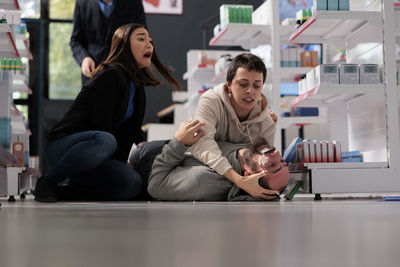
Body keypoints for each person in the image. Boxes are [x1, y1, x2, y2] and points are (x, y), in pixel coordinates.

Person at [34, 23, 181, 202]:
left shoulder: (137, 85)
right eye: (141, 39)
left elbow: (133, 129)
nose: (149, 44)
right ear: (124, 45)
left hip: (97, 152)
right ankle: (47, 181)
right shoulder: (111, 75)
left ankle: (68, 192)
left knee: (132, 184)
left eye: (150, 40)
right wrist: (120, 161)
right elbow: (99, 124)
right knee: (105, 140)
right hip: (65, 146)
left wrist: (141, 146)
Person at [190, 53, 279, 200]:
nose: (250, 91)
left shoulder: (266, 121)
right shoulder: (210, 101)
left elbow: (262, 163)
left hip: (228, 174)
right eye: (243, 84)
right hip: (195, 162)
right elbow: (202, 145)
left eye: (257, 85)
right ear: (229, 85)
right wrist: (238, 180)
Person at [129, 120, 289, 201]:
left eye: (273, 165)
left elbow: (156, 186)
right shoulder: (245, 151)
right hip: (145, 149)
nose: (275, 154)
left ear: (249, 175)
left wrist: (179, 142)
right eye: (282, 161)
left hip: (136, 169)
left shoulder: (206, 181)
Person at [70, 0, 146, 85]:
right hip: (93, 76)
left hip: (126, 75)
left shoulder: (134, 3)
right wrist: (84, 59)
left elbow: (143, 38)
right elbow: (76, 40)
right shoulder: (82, 2)